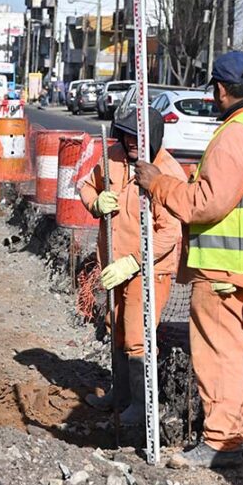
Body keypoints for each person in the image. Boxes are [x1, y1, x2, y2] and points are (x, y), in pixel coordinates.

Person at [135, 51, 243, 468]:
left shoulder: (236, 134)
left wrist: (160, 185)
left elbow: (205, 204)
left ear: (221, 90)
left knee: (220, 352)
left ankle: (222, 441)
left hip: (228, 266)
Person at [79, 107, 185, 425]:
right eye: (126, 136)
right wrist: (94, 203)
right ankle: (120, 395)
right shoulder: (112, 155)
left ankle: (140, 407)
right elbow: (86, 186)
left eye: (138, 137)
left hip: (149, 270)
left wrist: (135, 261)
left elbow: (170, 232)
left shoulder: (166, 173)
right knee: (116, 328)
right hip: (114, 265)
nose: (132, 143)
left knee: (137, 335)